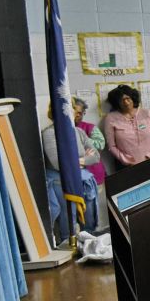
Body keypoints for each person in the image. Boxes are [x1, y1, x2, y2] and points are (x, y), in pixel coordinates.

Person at [41, 103, 100, 240]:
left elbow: (95, 156)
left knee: (90, 227)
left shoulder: (78, 131)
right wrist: (83, 158)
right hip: (61, 184)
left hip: (84, 181)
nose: (73, 112)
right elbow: (58, 164)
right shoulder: (49, 133)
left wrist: (76, 161)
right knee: (68, 230)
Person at [103, 84, 150, 168]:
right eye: (121, 100)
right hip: (126, 166)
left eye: (127, 98)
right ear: (117, 102)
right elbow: (111, 146)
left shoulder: (146, 113)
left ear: (133, 98)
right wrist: (127, 161)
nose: (126, 102)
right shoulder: (111, 118)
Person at [72, 97, 106, 185]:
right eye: (74, 111)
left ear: (83, 114)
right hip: (75, 175)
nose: (76, 115)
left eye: (79, 113)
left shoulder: (90, 127)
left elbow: (101, 144)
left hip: (94, 172)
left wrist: (83, 139)